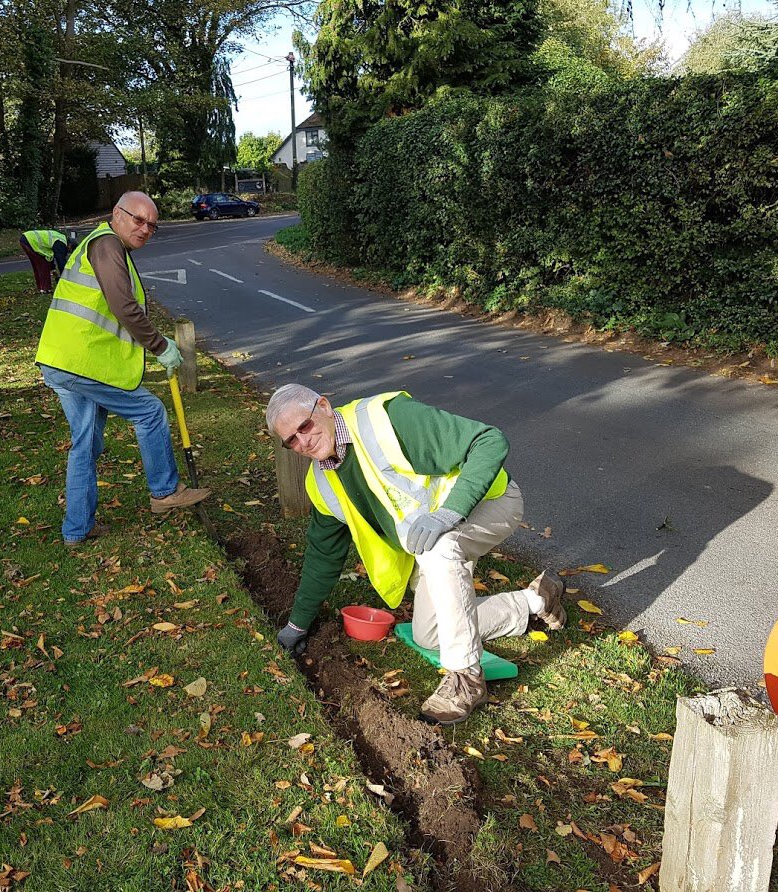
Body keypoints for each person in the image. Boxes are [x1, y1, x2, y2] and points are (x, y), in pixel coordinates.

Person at [267, 384, 566, 725]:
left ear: (323, 405)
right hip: (437, 540)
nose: (302, 442)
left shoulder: (385, 421)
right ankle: (534, 601)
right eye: (290, 440)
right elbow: (323, 556)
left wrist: (450, 513)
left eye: (303, 426)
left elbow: (488, 440)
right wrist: (296, 624)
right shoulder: (322, 482)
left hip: (489, 504)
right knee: (430, 635)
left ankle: (466, 678)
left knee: (440, 549)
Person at [35, 192, 209, 546]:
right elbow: (123, 307)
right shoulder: (107, 245)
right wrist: (160, 346)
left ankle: (77, 530)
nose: (145, 229)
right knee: (150, 412)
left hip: (61, 360)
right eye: (138, 220)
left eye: (152, 225)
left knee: (84, 445)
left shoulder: (105, 246)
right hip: (82, 364)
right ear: (117, 214)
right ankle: (163, 491)